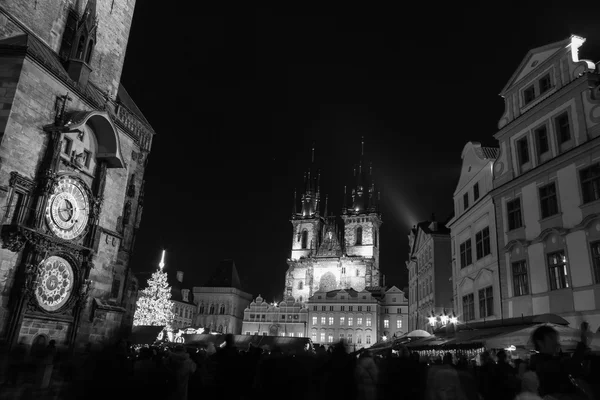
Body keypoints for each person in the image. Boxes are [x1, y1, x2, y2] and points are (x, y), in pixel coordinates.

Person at [529, 323, 589, 399]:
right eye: (551, 338)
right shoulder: (543, 364)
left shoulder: (542, 361)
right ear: (540, 342)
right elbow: (571, 364)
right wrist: (583, 340)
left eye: (556, 338)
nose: (556, 342)